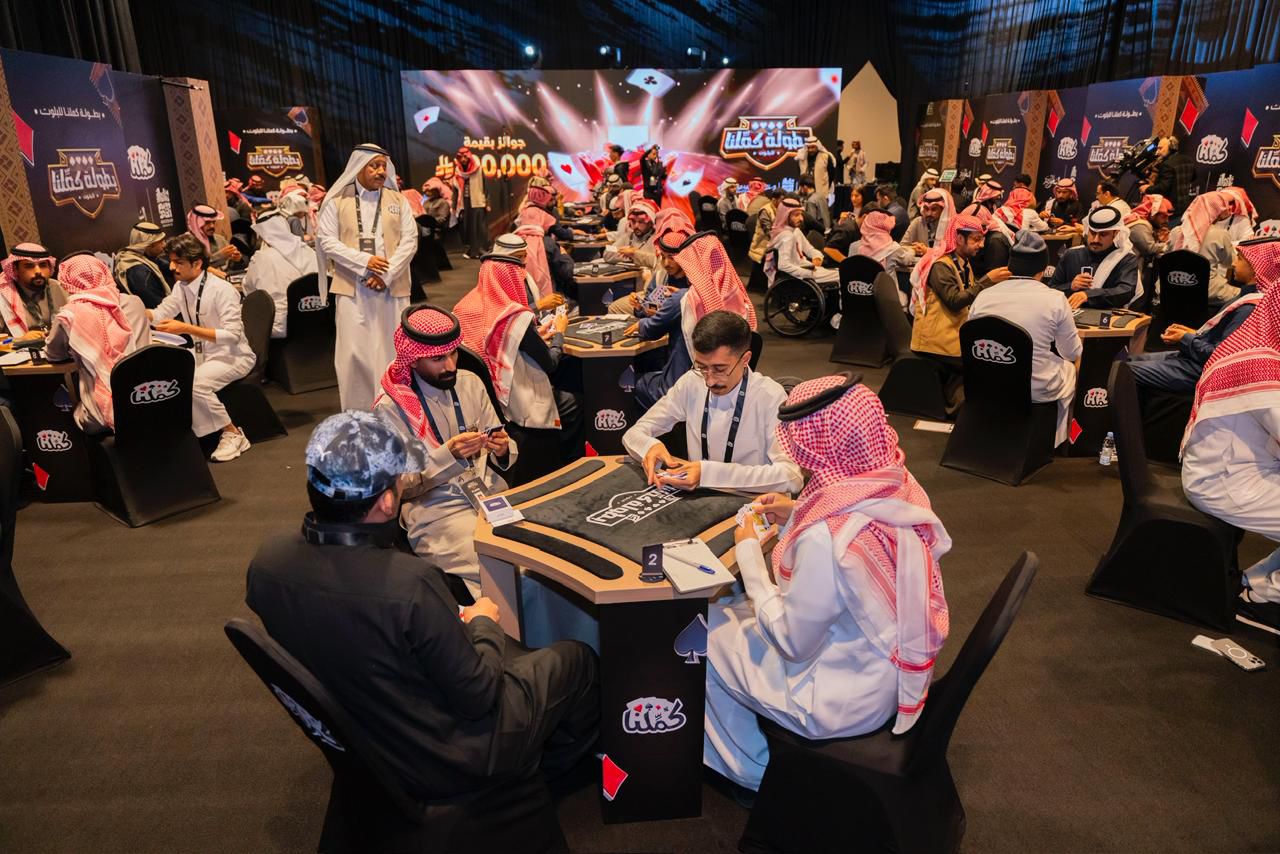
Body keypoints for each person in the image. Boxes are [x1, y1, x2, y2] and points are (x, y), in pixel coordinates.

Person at [245, 410, 599, 801]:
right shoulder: (408, 583)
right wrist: (483, 623)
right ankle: (537, 780)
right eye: (399, 480)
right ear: (386, 502)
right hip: (448, 755)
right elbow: (479, 695)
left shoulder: (266, 562)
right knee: (576, 658)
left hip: (366, 740)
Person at [704, 374, 951, 792]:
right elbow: (844, 512)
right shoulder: (895, 481)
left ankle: (753, 773)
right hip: (887, 672)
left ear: (818, 445)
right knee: (738, 610)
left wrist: (748, 553)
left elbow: (792, 642)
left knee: (704, 630)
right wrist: (798, 512)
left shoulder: (828, 537)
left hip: (839, 701)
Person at [373, 305, 516, 591]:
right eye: (438, 358)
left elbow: (505, 444)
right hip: (437, 513)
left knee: (540, 557)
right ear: (413, 360)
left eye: (453, 354)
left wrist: (503, 449)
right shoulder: (391, 408)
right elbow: (401, 488)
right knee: (504, 568)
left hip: (492, 498)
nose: (450, 366)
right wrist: (448, 456)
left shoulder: (471, 383)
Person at [1178, 278, 1280, 632]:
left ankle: (1257, 583)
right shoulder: (1261, 362)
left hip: (1242, 467)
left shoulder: (1259, 345)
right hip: (1225, 481)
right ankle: (1262, 602)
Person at [624, 311, 801, 494]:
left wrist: (709, 473)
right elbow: (633, 433)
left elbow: (792, 477)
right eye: (702, 367)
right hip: (699, 498)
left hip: (752, 501)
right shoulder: (692, 382)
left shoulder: (770, 397)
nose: (709, 381)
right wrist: (649, 446)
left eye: (719, 369)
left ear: (745, 359)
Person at [316, 143, 418, 411]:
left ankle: (396, 411)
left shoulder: (398, 201)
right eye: (374, 166)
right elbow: (327, 241)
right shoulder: (337, 202)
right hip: (353, 290)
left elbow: (410, 241)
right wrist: (365, 263)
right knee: (354, 355)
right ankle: (358, 415)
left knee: (392, 352)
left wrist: (386, 274)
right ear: (358, 167)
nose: (381, 171)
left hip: (391, 289)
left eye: (383, 166)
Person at [454, 257, 582, 461]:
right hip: (517, 403)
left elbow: (499, 344)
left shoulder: (463, 308)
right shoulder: (514, 318)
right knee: (576, 401)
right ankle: (567, 463)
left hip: (481, 398)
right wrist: (559, 332)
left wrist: (535, 336)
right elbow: (550, 364)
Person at [630, 214, 756, 410]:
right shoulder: (739, 299)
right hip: (732, 389)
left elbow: (650, 329)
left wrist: (641, 322)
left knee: (634, 382)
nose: (667, 263)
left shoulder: (684, 299)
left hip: (686, 389)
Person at [969, 231, 1083, 445]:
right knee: (1071, 367)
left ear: (1011, 265)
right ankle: (1051, 442)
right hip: (1034, 389)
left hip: (986, 383)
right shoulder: (1056, 300)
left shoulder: (983, 296)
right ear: (1042, 268)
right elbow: (1072, 352)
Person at [148, 233, 254, 460]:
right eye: (172, 261)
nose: (172, 267)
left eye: (179, 262)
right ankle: (188, 436)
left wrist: (186, 328)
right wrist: (130, 308)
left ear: (197, 264)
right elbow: (159, 314)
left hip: (233, 356)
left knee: (195, 383)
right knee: (170, 377)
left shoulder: (222, 290)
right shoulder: (181, 287)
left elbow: (232, 336)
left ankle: (233, 433)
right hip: (201, 354)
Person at [1130, 237, 1277, 395]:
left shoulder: (1250, 307)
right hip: (1195, 359)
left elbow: (1220, 356)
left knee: (1125, 370)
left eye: (1240, 259)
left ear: (1256, 267)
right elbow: (1220, 340)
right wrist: (1194, 333)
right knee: (1130, 360)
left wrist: (1185, 338)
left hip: (1203, 370)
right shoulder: (1246, 297)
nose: (1233, 264)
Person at [909, 214, 1010, 409]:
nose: (981, 245)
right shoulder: (940, 265)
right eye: (976, 239)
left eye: (982, 239)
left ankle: (965, 408)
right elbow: (954, 301)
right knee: (982, 361)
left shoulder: (962, 261)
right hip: (935, 340)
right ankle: (964, 410)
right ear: (959, 238)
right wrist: (987, 281)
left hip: (953, 334)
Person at [44, 254, 150, 434]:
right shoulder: (135, 302)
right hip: (148, 398)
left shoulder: (69, 315)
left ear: (67, 282)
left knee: (73, 409)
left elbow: (54, 355)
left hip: (100, 418)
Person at [243, 209, 319, 339]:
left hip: (279, 329)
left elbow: (249, 291)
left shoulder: (261, 258)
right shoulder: (310, 252)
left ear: (264, 236)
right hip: (317, 322)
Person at [1048, 205, 1141, 309]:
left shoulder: (1125, 259)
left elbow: (1125, 291)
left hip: (1107, 316)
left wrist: (1088, 295)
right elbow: (1051, 289)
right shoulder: (1071, 254)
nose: (1096, 240)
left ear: (1115, 233)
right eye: (1092, 233)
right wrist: (1071, 286)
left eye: (1103, 235)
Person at [1170, 190, 1240, 306]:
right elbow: (1230, 263)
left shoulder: (1175, 232)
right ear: (1216, 211)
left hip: (1172, 287)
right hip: (1208, 292)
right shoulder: (1220, 234)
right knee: (1242, 295)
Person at [0, 243, 67, 339]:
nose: (38, 271)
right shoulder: (3, 295)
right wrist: (19, 340)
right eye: (29, 266)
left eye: (43, 265)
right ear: (15, 269)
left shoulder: (58, 287)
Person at [767, 197, 838, 287]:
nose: (801, 219)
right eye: (796, 215)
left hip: (806, 269)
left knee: (839, 272)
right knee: (841, 276)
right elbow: (783, 266)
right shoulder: (786, 236)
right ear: (786, 216)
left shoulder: (795, 231)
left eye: (801, 214)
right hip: (798, 277)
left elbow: (809, 249)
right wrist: (808, 273)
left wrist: (817, 257)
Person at [514, 202, 575, 297]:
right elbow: (566, 272)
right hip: (547, 299)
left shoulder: (511, 243)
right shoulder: (548, 243)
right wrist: (564, 255)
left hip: (518, 298)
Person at [114, 221, 171, 309]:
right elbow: (158, 306)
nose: (164, 245)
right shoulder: (139, 272)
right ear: (149, 245)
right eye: (160, 242)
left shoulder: (143, 257)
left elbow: (169, 268)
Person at [856, 210, 919, 287]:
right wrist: (913, 250)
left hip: (863, 290)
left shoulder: (856, 247)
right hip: (887, 291)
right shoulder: (891, 248)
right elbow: (907, 260)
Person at [451, 146, 490, 258]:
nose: (463, 159)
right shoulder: (458, 171)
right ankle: (471, 251)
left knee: (479, 227)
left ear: (469, 157)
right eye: (460, 157)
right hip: (464, 202)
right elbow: (455, 190)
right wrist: (454, 206)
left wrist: (488, 202)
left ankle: (482, 250)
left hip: (478, 201)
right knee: (467, 227)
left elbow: (486, 186)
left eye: (465, 157)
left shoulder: (478, 169)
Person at [1143, 136, 1195, 215]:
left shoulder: (1167, 164)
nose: (1157, 152)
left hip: (1170, 208)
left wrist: (1147, 189)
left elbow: (1163, 188)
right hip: (1185, 207)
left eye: (1160, 148)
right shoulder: (1189, 160)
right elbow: (1193, 177)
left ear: (1171, 148)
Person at [187, 204, 242, 272]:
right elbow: (193, 269)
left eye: (213, 222)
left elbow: (231, 267)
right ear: (196, 223)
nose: (212, 226)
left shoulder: (220, 239)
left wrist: (237, 259)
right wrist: (219, 256)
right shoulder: (187, 242)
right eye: (207, 222)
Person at [903, 188, 955, 253]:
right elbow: (903, 246)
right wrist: (915, 248)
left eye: (933, 209)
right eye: (926, 209)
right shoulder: (917, 222)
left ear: (943, 210)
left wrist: (927, 251)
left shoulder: (952, 226)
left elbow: (951, 253)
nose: (929, 214)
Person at [795, 135, 838, 201]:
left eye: (813, 147)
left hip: (821, 193)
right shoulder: (802, 157)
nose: (810, 150)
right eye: (808, 147)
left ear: (817, 146)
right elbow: (800, 173)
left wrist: (824, 186)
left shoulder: (825, 157)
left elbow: (831, 175)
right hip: (805, 193)